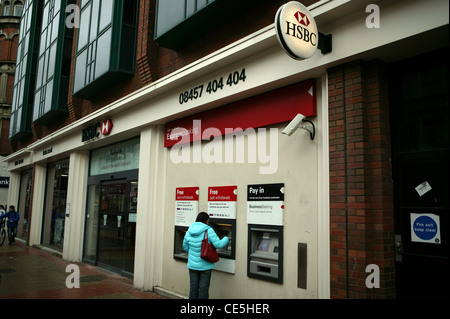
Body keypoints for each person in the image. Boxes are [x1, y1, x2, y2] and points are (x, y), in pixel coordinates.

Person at [183, 212, 230, 299]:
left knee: (193, 288)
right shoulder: (208, 230)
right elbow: (218, 244)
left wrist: (194, 253)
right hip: (205, 265)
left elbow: (185, 247)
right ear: (206, 221)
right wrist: (226, 238)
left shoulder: (189, 230)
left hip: (192, 265)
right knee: (203, 289)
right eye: (208, 220)